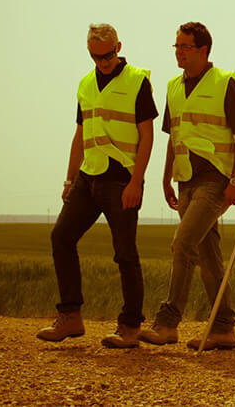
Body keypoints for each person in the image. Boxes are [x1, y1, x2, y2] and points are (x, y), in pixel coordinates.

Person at [37, 23, 157, 348]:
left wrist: (137, 181)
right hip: (87, 178)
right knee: (61, 237)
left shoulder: (137, 81)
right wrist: (69, 177)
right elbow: (80, 134)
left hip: (121, 180)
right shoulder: (85, 84)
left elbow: (147, 135)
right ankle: (71, 316)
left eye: (108, 55)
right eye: (96, 56)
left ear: (119, 46)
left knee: (125, 254)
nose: (103, 62)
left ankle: (130, 326)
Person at [139, 21, 235, 350]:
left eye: (185, 47)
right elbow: (174, 137)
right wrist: (165, 178)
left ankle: (167, 322)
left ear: (204, 50)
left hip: (216, 179)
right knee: (208, 254)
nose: (179, 52)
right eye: (176, 46)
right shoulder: (173, 86)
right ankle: (223, 329)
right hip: (185, 180)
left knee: (183, 244)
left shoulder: (225, 82)